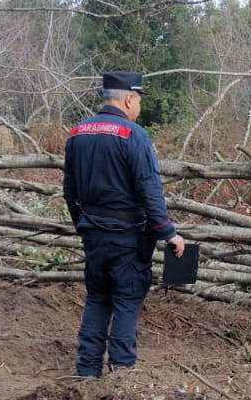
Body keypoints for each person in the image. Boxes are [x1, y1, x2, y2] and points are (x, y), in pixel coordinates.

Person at [62, 70, 186, 378]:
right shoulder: (133, 135)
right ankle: (121, 374)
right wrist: (168, 233)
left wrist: (84, 225)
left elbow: (69, 189)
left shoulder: (77, 133)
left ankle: (87, 372)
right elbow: (149, 188)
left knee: (97, 298)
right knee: (127, 300)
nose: (139, 107)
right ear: (129, 98)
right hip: (127, 237)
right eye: (139, 100)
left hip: (93, 235)